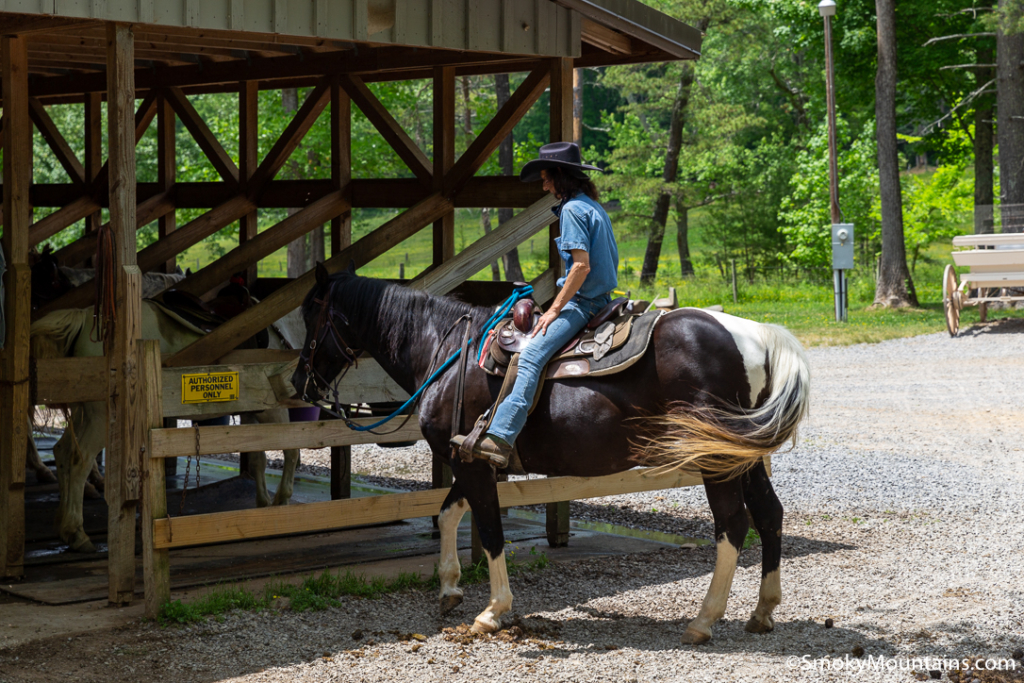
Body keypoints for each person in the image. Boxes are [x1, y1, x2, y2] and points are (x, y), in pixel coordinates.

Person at [455, 141, 619, 466]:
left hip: (582, 304)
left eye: (546, 178)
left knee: (530, 357)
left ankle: (500, 437)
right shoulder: (591, 206)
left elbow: (581, 266)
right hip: (600, 297)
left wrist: (555, 309)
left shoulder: (572, 210)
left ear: (560, 176)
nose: (543, 186)